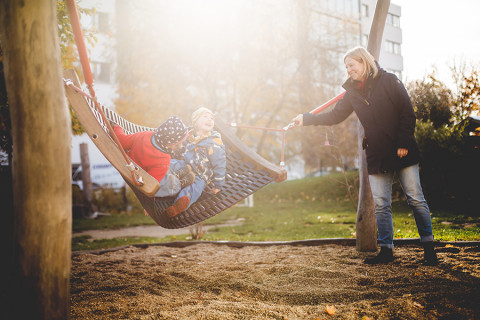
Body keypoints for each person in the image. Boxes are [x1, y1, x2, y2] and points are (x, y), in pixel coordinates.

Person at [292, 46, 438, 265]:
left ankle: (429, 249)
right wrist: (306, 119)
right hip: (377, 153)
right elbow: (334, 116)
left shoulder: (389, 81)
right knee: (381, 203)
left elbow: (407, 112)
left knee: (415, 198)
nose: (348, 70)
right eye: (346, 66)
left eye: (352, 65)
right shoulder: (352, 93)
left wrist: (403, 142)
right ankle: (386, 251)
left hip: (402, 150)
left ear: (364, 62)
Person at [113, 116, 195, 198]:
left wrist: (117, 127)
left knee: (167, 170)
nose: (180, 146)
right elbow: (150, 184)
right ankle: (179, 183)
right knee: (171, 185)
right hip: (139, 178)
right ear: (171, 144)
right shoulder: (164, 160)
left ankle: (175, 175)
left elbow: (122, 141)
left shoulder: (144, 135)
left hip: (131, 166)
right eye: (178, 144)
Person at [166, 107, 227, 218]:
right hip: (185, 165)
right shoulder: (188, 136)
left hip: (201, 174)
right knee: (172, 163)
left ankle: (178, 205)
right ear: (195, 122)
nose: (209, 120)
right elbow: (180, 149)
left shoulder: (214, 142)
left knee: (195, 189)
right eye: (205, 117)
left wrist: (218, 185)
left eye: (212, 118)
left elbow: (220, 164)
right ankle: (156, 171)